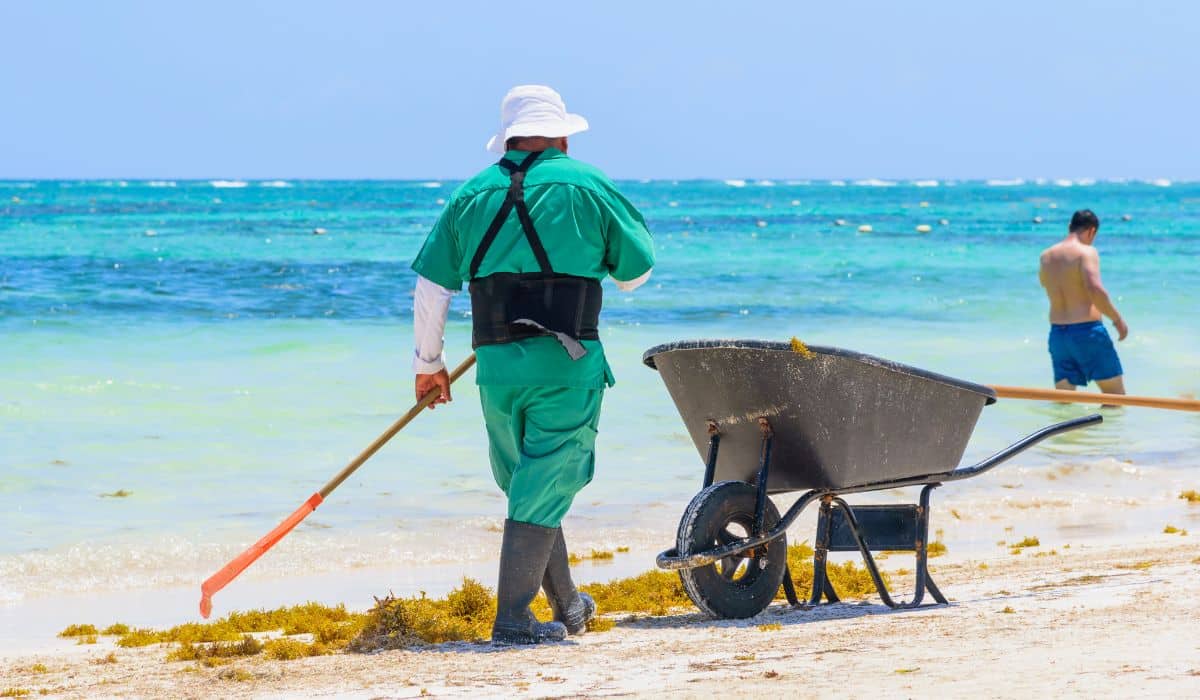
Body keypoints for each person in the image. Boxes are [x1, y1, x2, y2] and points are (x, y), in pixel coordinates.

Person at [409, 85, 655, 644]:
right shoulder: (586, 183)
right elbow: (633, 273)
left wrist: (430, 363)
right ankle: (513, 620)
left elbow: (432, 286)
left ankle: (569, 604)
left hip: (496, 370)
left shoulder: (470, 194)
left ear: (509, 138)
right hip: (567, 365)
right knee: (544, 483)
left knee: (529, 485)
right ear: (562, 134)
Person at [1038, 209, 1128, 395]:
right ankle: (1105, 426)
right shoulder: (1086, 252)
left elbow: (1045, 284)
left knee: (1065, 401)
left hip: (1058, 335)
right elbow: (1094, 289)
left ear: (1070, 227)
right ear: (1091, 231)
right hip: (1087, 332)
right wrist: (1117, 320)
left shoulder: (1046, 256)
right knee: (1116, 398)